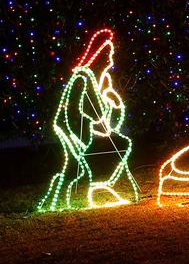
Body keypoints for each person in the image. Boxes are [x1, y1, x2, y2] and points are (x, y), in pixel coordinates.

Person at [38, 29, 139, 212]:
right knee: (77, 166)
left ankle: (102, 184)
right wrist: (87, 131)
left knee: (122, 144)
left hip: (86, 129)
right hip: (72, 129)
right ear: (97, 55)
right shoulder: (82, 77)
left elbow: (102, 112)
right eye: (107, 54)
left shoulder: (98, 79)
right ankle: (67, 196)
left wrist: (112, 103)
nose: (110, 59)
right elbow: (73, 111)